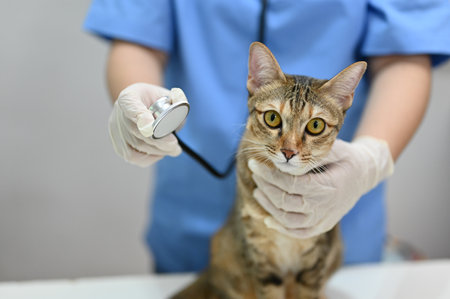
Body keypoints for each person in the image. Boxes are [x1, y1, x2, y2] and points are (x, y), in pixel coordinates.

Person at [84, 0, 450, 273]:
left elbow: (405, 50)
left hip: (337, 217)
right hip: (192, 217)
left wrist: (372, 158)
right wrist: (139, 103)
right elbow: (137, 32)